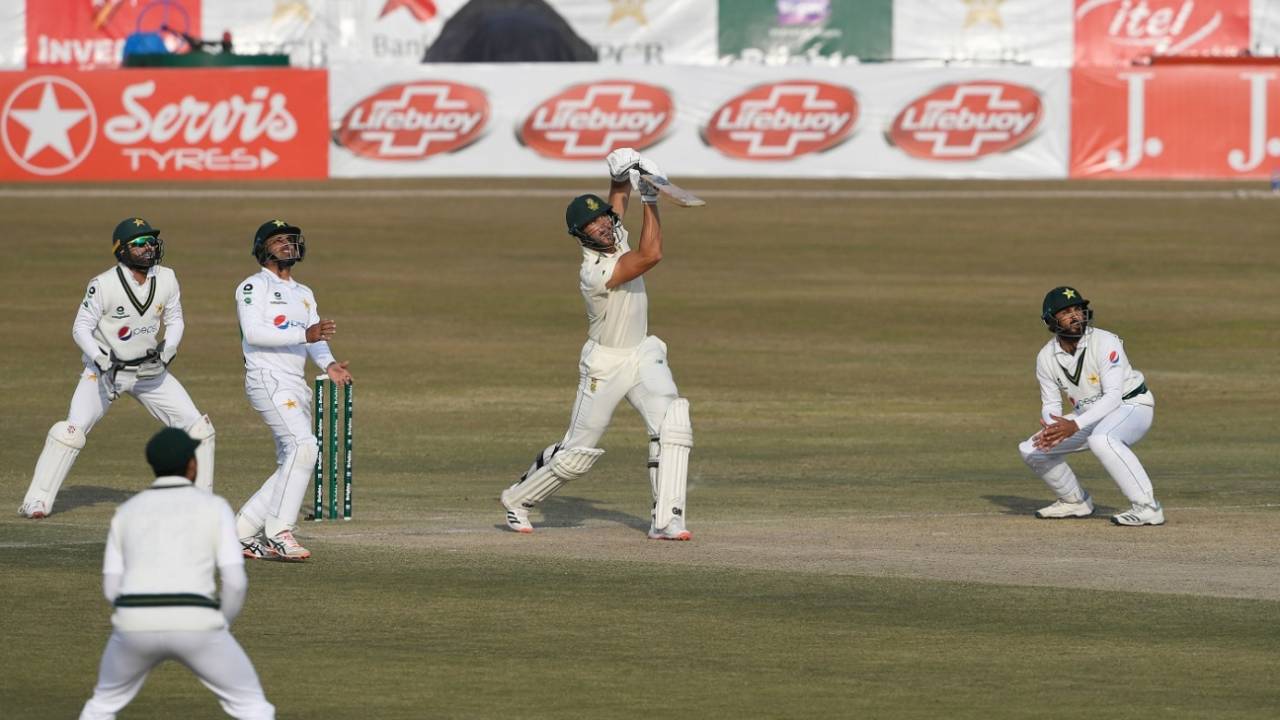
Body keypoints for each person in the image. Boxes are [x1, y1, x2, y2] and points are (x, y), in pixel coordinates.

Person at [500, 148, 694, 540]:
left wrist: (621, 169)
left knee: (673, 424)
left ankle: (667, 519)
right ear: (580, 235)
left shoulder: (612, 230)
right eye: (592, 226)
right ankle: (517, 499)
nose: (603, 227)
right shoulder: (597, 270)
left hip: (642, 352)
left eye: (603, 218)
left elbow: (617, 198)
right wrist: (651, 197)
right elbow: (651, 254)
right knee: (576, 455)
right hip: (605, 364)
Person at [19, 217, 215, 519]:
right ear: (122, 250)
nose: (148, 247)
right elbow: (80, 328)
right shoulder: (103, 285)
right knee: (70, 432)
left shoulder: (167, 278)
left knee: (199, 429)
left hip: (150, 372)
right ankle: (37, 500)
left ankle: (201, 505)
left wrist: (168, 349)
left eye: (150, 241)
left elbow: (175, 319)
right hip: (105, 374)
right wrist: (100, 358)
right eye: (139, 243)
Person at [79, 427, 274, 720]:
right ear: (191, 465)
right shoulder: (214, 506)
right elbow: (235, 582)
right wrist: (220, 623)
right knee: (253, 708)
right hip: (196, 622)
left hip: (134, 625)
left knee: (101, 706)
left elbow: (111, 589)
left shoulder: (126, 511)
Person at [234, 220, 351, 561]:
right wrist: (306, 336)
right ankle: (278, 531)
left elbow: (314, 338)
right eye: (278, 241)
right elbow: (254, 334)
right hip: (266, 378)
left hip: (294, 383)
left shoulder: (304, 293)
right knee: (304, 446)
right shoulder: (253, 287)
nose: (287, 245)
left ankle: (240, 531)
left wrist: (328, 364)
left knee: (294, 459)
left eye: (290, 240)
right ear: (263, 248)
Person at [1018, 286, 1163, 526]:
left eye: (1078, 309)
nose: (1075, 316)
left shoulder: (1106, 342)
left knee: (1101, 439)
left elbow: (1114, 396)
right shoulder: (1046, 357)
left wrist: (1074, 425)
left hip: (1133, 406)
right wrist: (1053, 426)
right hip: (1089, 416)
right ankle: (1074, 501)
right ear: (1050, 320)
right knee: (1032, 449)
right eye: (1066, 312)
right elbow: (1051, 402)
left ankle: (1148, 507)